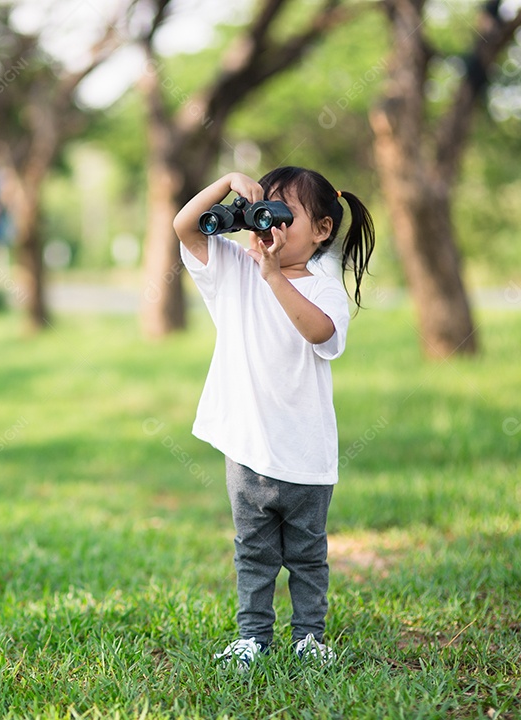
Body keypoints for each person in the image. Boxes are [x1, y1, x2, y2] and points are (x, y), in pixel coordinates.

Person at [172, 166, 375, 670]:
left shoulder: (325, 289)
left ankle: (309, 637)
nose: (269, 227)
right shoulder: (232, 270)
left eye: (283, 215)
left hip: (305, 452)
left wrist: (272, 275)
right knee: (253, 553)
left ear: (322, 230)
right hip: (247, 449)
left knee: (307, 557)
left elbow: (319, 333)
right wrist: (227, 185)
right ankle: (253, 637)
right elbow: (184, 225)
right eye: (263, 212)